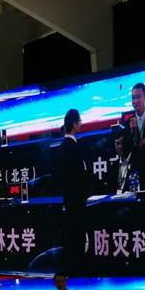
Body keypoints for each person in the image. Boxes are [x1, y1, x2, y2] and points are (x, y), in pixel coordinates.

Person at [57, 109, 90, 268]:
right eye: (80, 121)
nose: (81, 124)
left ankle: (72, 266)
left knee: (71, 236)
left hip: (68, 199)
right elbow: (80, 175)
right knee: (77, 236)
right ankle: (78, 267)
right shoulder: (73, 147)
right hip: (77, 200)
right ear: (74, 124)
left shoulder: (61, 146)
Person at [108, 128, 133, 194]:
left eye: (122, 143)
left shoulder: (136, 162)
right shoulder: (113, 166)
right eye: (117, 143)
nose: (120, 146)